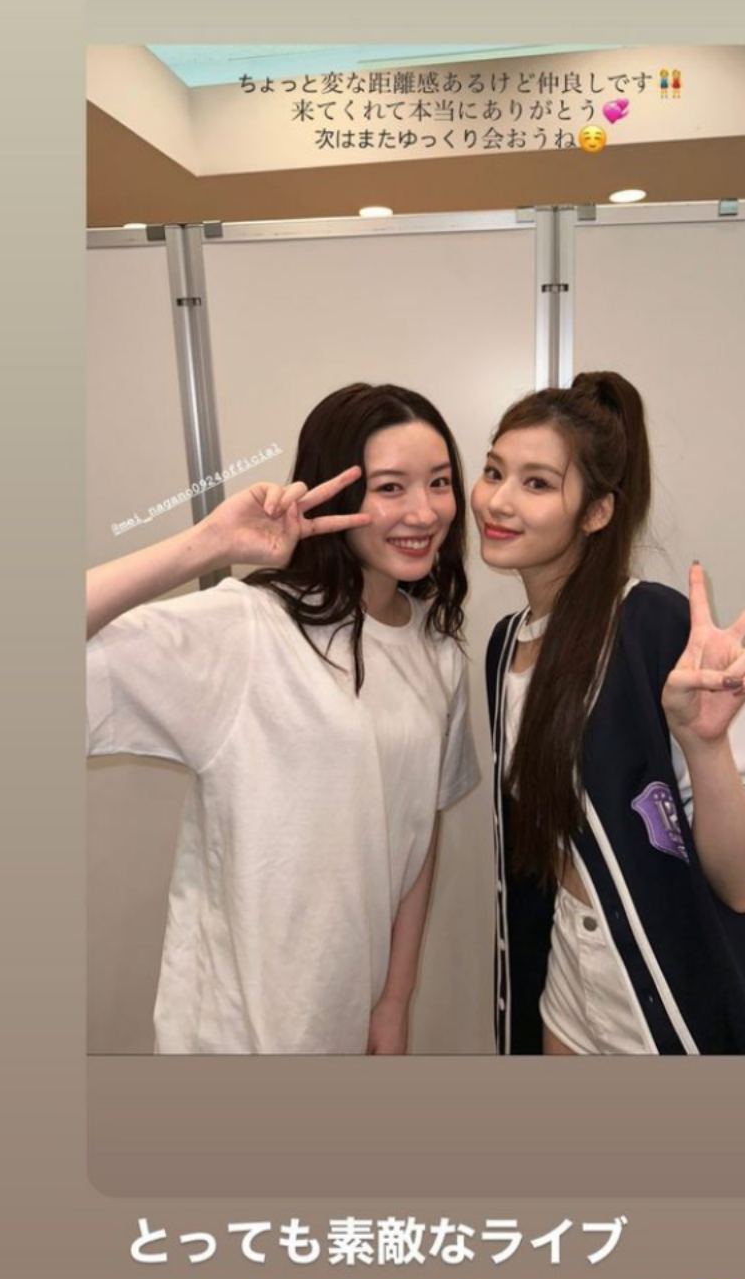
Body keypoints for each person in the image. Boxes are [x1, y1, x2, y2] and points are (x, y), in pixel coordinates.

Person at [87, 383, 479, 1055]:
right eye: (390, 487)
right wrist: (207, 544)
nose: (424, 512)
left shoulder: (437, 651)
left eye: (439, 482)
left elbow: (418, 831)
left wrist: (394, 1000)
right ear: (334, 492)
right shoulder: (248, 628)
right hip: (234, 1033)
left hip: (348, 1017)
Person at [472, 371, 745, 1056]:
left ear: (597, 512)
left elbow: (743, 883)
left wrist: (703, 744)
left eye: (537, 483)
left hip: (666, 995)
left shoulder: (653, 626)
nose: (498, 501)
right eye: (494, 471)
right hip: (567, 979)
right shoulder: (504, 647)